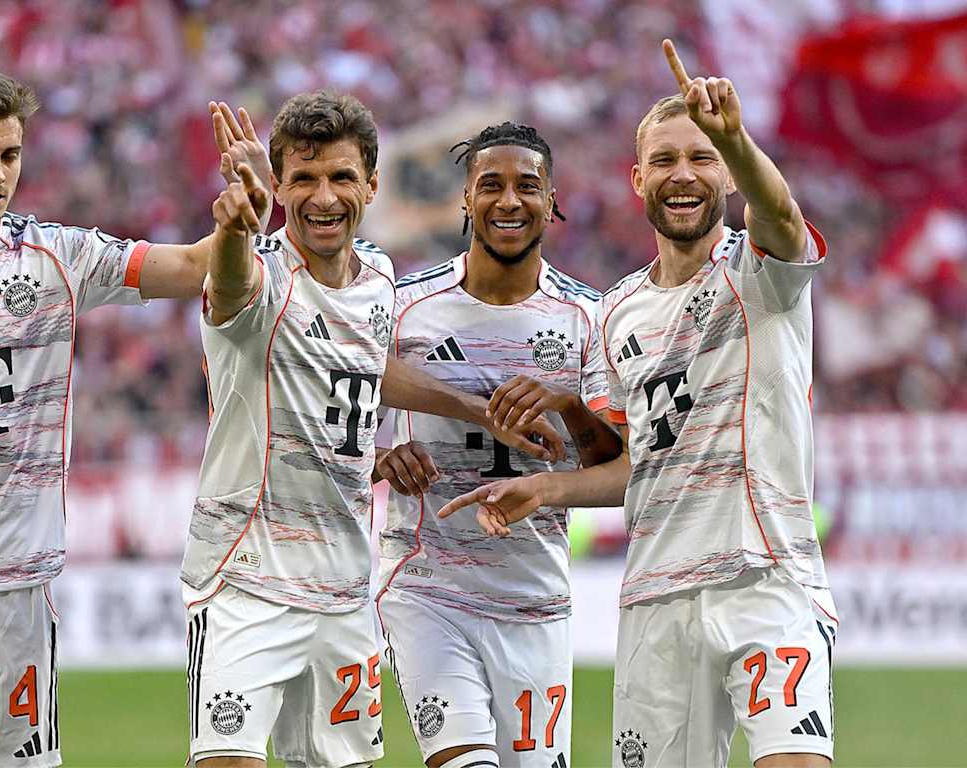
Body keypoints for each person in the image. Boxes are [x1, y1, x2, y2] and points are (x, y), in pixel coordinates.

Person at [439, 40, 838, 768]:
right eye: (664, 161)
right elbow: (634, 467)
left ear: (725, 173)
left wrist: (737, 140)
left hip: (765, 576)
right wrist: (549, 486)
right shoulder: (618, 312)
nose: (683, 175)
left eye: (702, 158)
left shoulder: (760, 268)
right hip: (657, 596)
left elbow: (781, 215)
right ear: (637, 180)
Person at [186, 92, 564, 768]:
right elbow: (234, 285)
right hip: (248, 580)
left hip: (345, 589)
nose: (323, 196)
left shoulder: (379, 278)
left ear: (371, 185)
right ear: (277, 187)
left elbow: (364, 368)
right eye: (303, 179)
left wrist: (465, 415)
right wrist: (238, 229)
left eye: (339, 177)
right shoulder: (261, 272)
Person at [0, 66, 268, 768]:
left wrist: (248, 215)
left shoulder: (54, 258)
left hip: (6, 597)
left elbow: (191, 266)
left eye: (10, 154)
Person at [372, 121, 621, 768]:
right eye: (491, 185)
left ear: (551, 199)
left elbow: (614, 465)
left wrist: (565, 404)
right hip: (426, 587)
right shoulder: (404, 308)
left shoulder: (588, 319)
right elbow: (323, 412)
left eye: (527, 187)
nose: (509, 201)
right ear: (464, 199)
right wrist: (380, 460)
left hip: (535, 601)